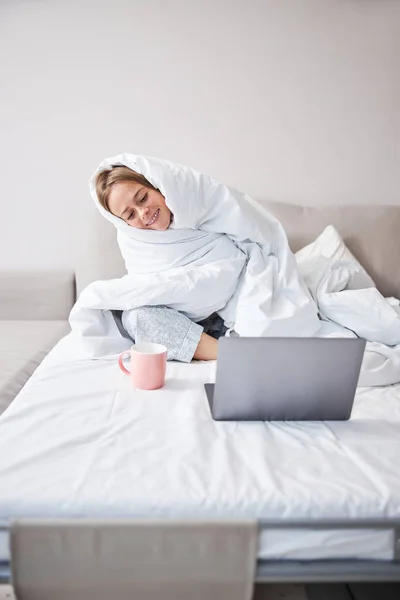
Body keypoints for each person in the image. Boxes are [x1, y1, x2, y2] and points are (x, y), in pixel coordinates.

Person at [95, 166, 225, 362]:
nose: (143, 212)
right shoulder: (135, 243)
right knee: (136, 315)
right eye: (130, 215)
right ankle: (225, 353)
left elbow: (235, 259)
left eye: (142, 198)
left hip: (223, 317)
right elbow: (145, 288)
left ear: (157, 187)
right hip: (173, 324)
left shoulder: (203, 212)